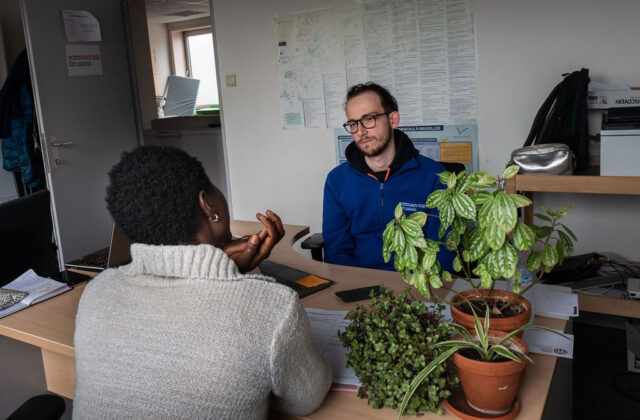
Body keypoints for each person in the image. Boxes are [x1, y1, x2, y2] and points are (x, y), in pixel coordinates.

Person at [73, 146, 332, 419]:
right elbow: (306, 399)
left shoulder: (97, 292)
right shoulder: (273, 307)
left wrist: (225, 271)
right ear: (208, 205)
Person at [322, 82, 454, 271]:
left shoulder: (436, 177)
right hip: (359, 285)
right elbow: (336, 252)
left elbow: (444, 250)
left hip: (418, 286)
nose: (360, 131)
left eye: (369, 119)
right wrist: (357, 288)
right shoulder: (337, 181)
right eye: (353, 123)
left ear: (393, 120)